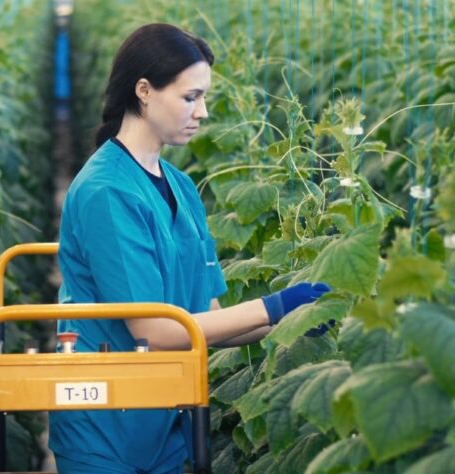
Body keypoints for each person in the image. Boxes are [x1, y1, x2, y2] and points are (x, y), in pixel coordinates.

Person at [48, 23, 331, 474]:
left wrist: (297, 319)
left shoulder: (180, 187)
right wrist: (276, 304)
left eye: (203, 98)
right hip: (106, 423)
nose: (201, 112)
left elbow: (209, 317)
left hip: (167, 416)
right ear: (143, 90)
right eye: (189, 97)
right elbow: (155, 332)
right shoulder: (106, 190)